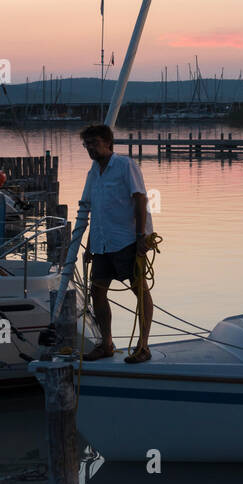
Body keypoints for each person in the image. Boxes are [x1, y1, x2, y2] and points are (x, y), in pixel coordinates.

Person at [78, 124, 154, 363]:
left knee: (139, 289)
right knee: (97, 291)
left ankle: (143, 346)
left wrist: (141, 237)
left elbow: (140, 199)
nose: (90, 148)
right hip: (102, 242)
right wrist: (90, 245)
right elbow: (96, 210)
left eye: (94, 142)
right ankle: (106, 343)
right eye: (87, 144)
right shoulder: (94, 172)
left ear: (108, 143)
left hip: (127, 240)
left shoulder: (125, 165)